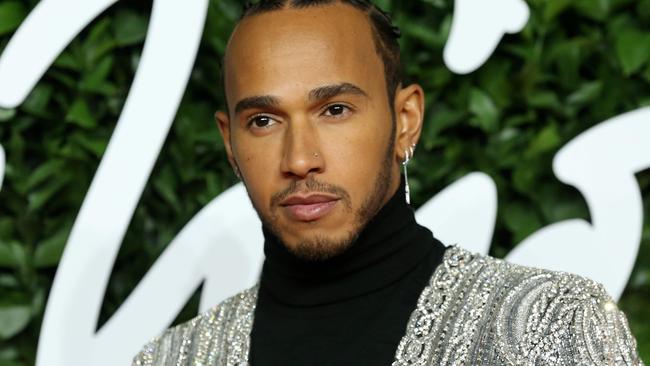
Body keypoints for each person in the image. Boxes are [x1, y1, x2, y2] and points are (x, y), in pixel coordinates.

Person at [133, 1, 644, 365]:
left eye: (334, 110)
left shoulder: (544, 327)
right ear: (230, 142)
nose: (300, 159)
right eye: (264, 121)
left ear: (405, 121)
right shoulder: (171, 358)